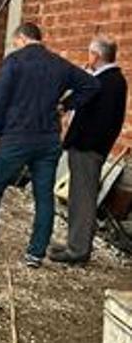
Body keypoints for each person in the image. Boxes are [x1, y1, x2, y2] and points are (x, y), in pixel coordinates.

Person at [0, 22, 99, 268]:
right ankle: (35, 254)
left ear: (22, 38)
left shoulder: (15, 62)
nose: (15, 46)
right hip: (48, 140)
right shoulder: (59, 64)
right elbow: (92, 85)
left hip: (17, 136)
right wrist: (66, 105)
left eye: (15, 42)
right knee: (43, 196)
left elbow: (0, 100)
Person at [50, 36, 128, 264]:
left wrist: (82, 143)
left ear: (96, 55)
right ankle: (75, 244)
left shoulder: (108, 81)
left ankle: (78, 251)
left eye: (89, 53)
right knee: (77, 197)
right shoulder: (106, 79)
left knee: (83, 199)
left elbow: (103, 122)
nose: (88, 57)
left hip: (88, 149)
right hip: (87, 148)